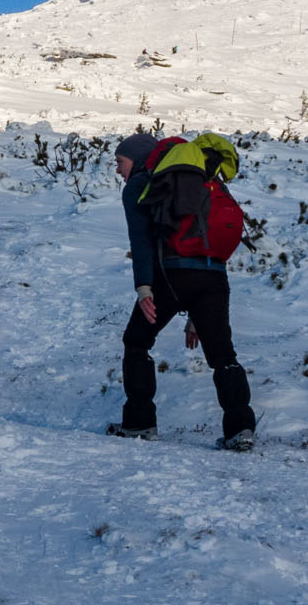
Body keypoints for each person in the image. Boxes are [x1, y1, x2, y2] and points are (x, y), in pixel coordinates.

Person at [109, 132, 258, 449]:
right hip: (213, 275)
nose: (118, 170)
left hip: (171, 274)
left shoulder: (141, 185)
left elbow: (142, 240)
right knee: (223, 355)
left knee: (136, 342)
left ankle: (139, 424)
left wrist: (144, 287)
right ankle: (240, 430)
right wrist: (196, 315)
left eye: (120, 162)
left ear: (137, 158)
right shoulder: (203, 178)